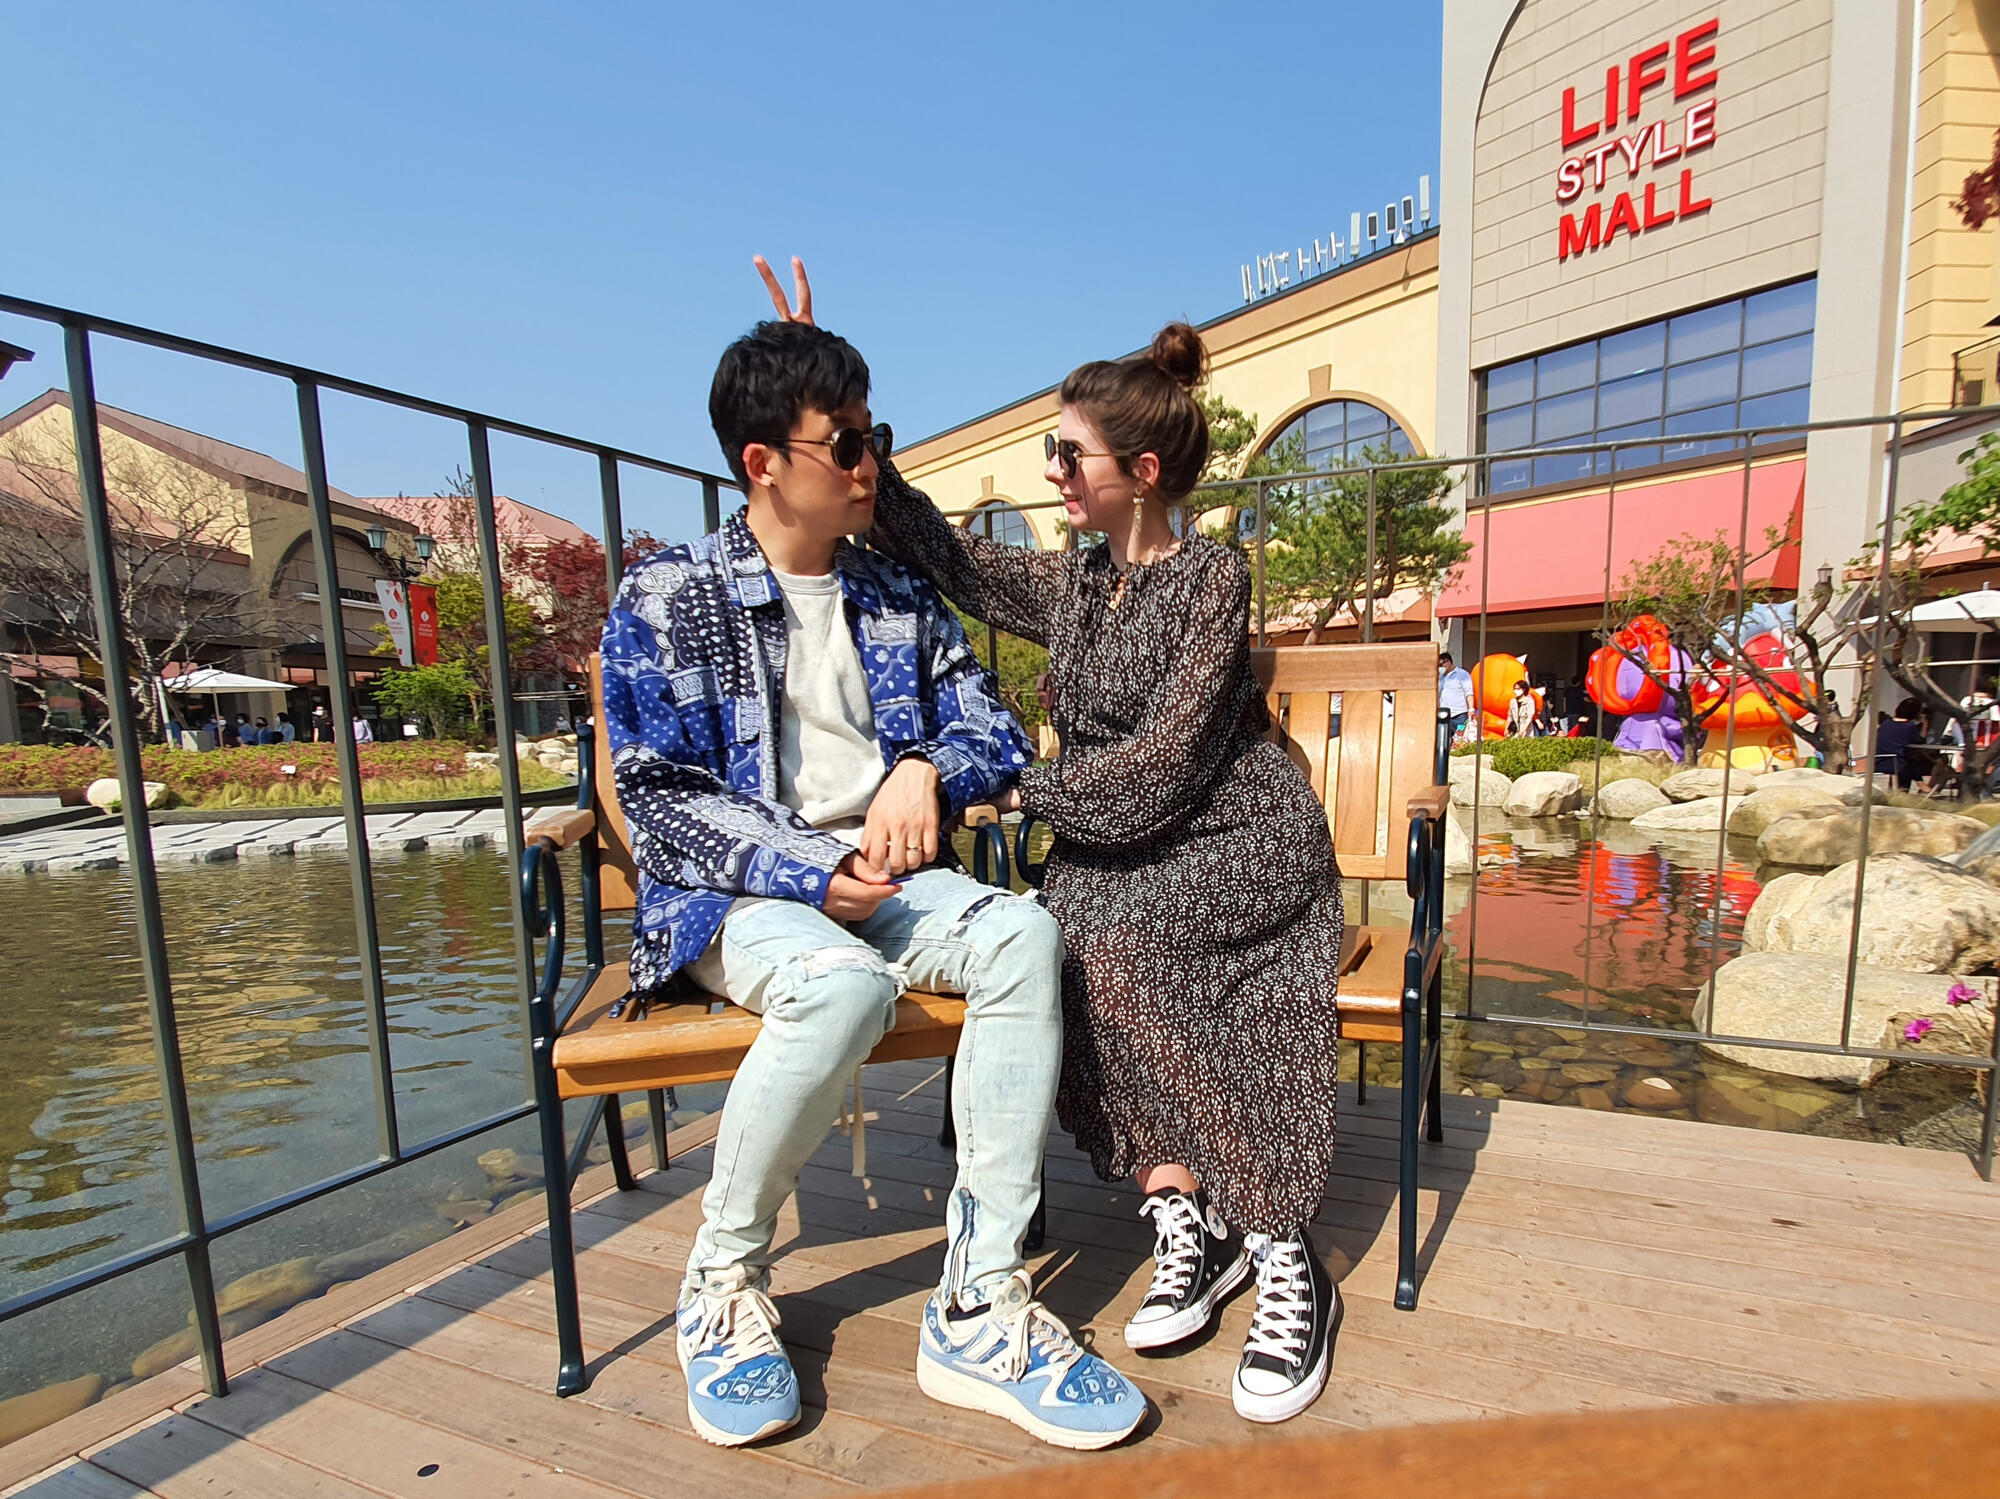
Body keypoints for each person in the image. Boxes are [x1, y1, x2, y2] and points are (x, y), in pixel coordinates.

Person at [764, 260, 1344, 1424]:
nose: (1049, 473)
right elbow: (946, 553)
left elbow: (1162, 769)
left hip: (1233, 832)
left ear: (1140, 473)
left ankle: (1281, 1241)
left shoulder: (1210, 579)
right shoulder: (1072, 583)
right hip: (1115, 845)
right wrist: (830, 400)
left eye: (1066, 456)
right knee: (1063, 935)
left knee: (1125, 936)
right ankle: (1182, 1212)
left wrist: (1015, 786)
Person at [600, 317, 1144, 1451]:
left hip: (893, 881)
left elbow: (992, 728)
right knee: (840, 986)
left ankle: (978, 1303)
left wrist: (922, 766)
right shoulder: (668, 594)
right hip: (740, 896)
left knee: (1025, 936)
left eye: (874, 437)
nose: (869, 466)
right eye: (846, 443)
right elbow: (654, 794)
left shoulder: (894, 592)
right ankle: (722, 1280)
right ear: (762, 462)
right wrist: (809, 866)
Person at [1438, 652, 1474, 742]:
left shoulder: (1462, 674)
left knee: (1459, 741)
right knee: (1444, 741)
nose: (1440, 667)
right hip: (1444, 715)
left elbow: (1468, 692)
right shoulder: (1440, 678)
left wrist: (1471, 708)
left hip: (1459, 715)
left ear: (1449, 662)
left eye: (1441, 665)